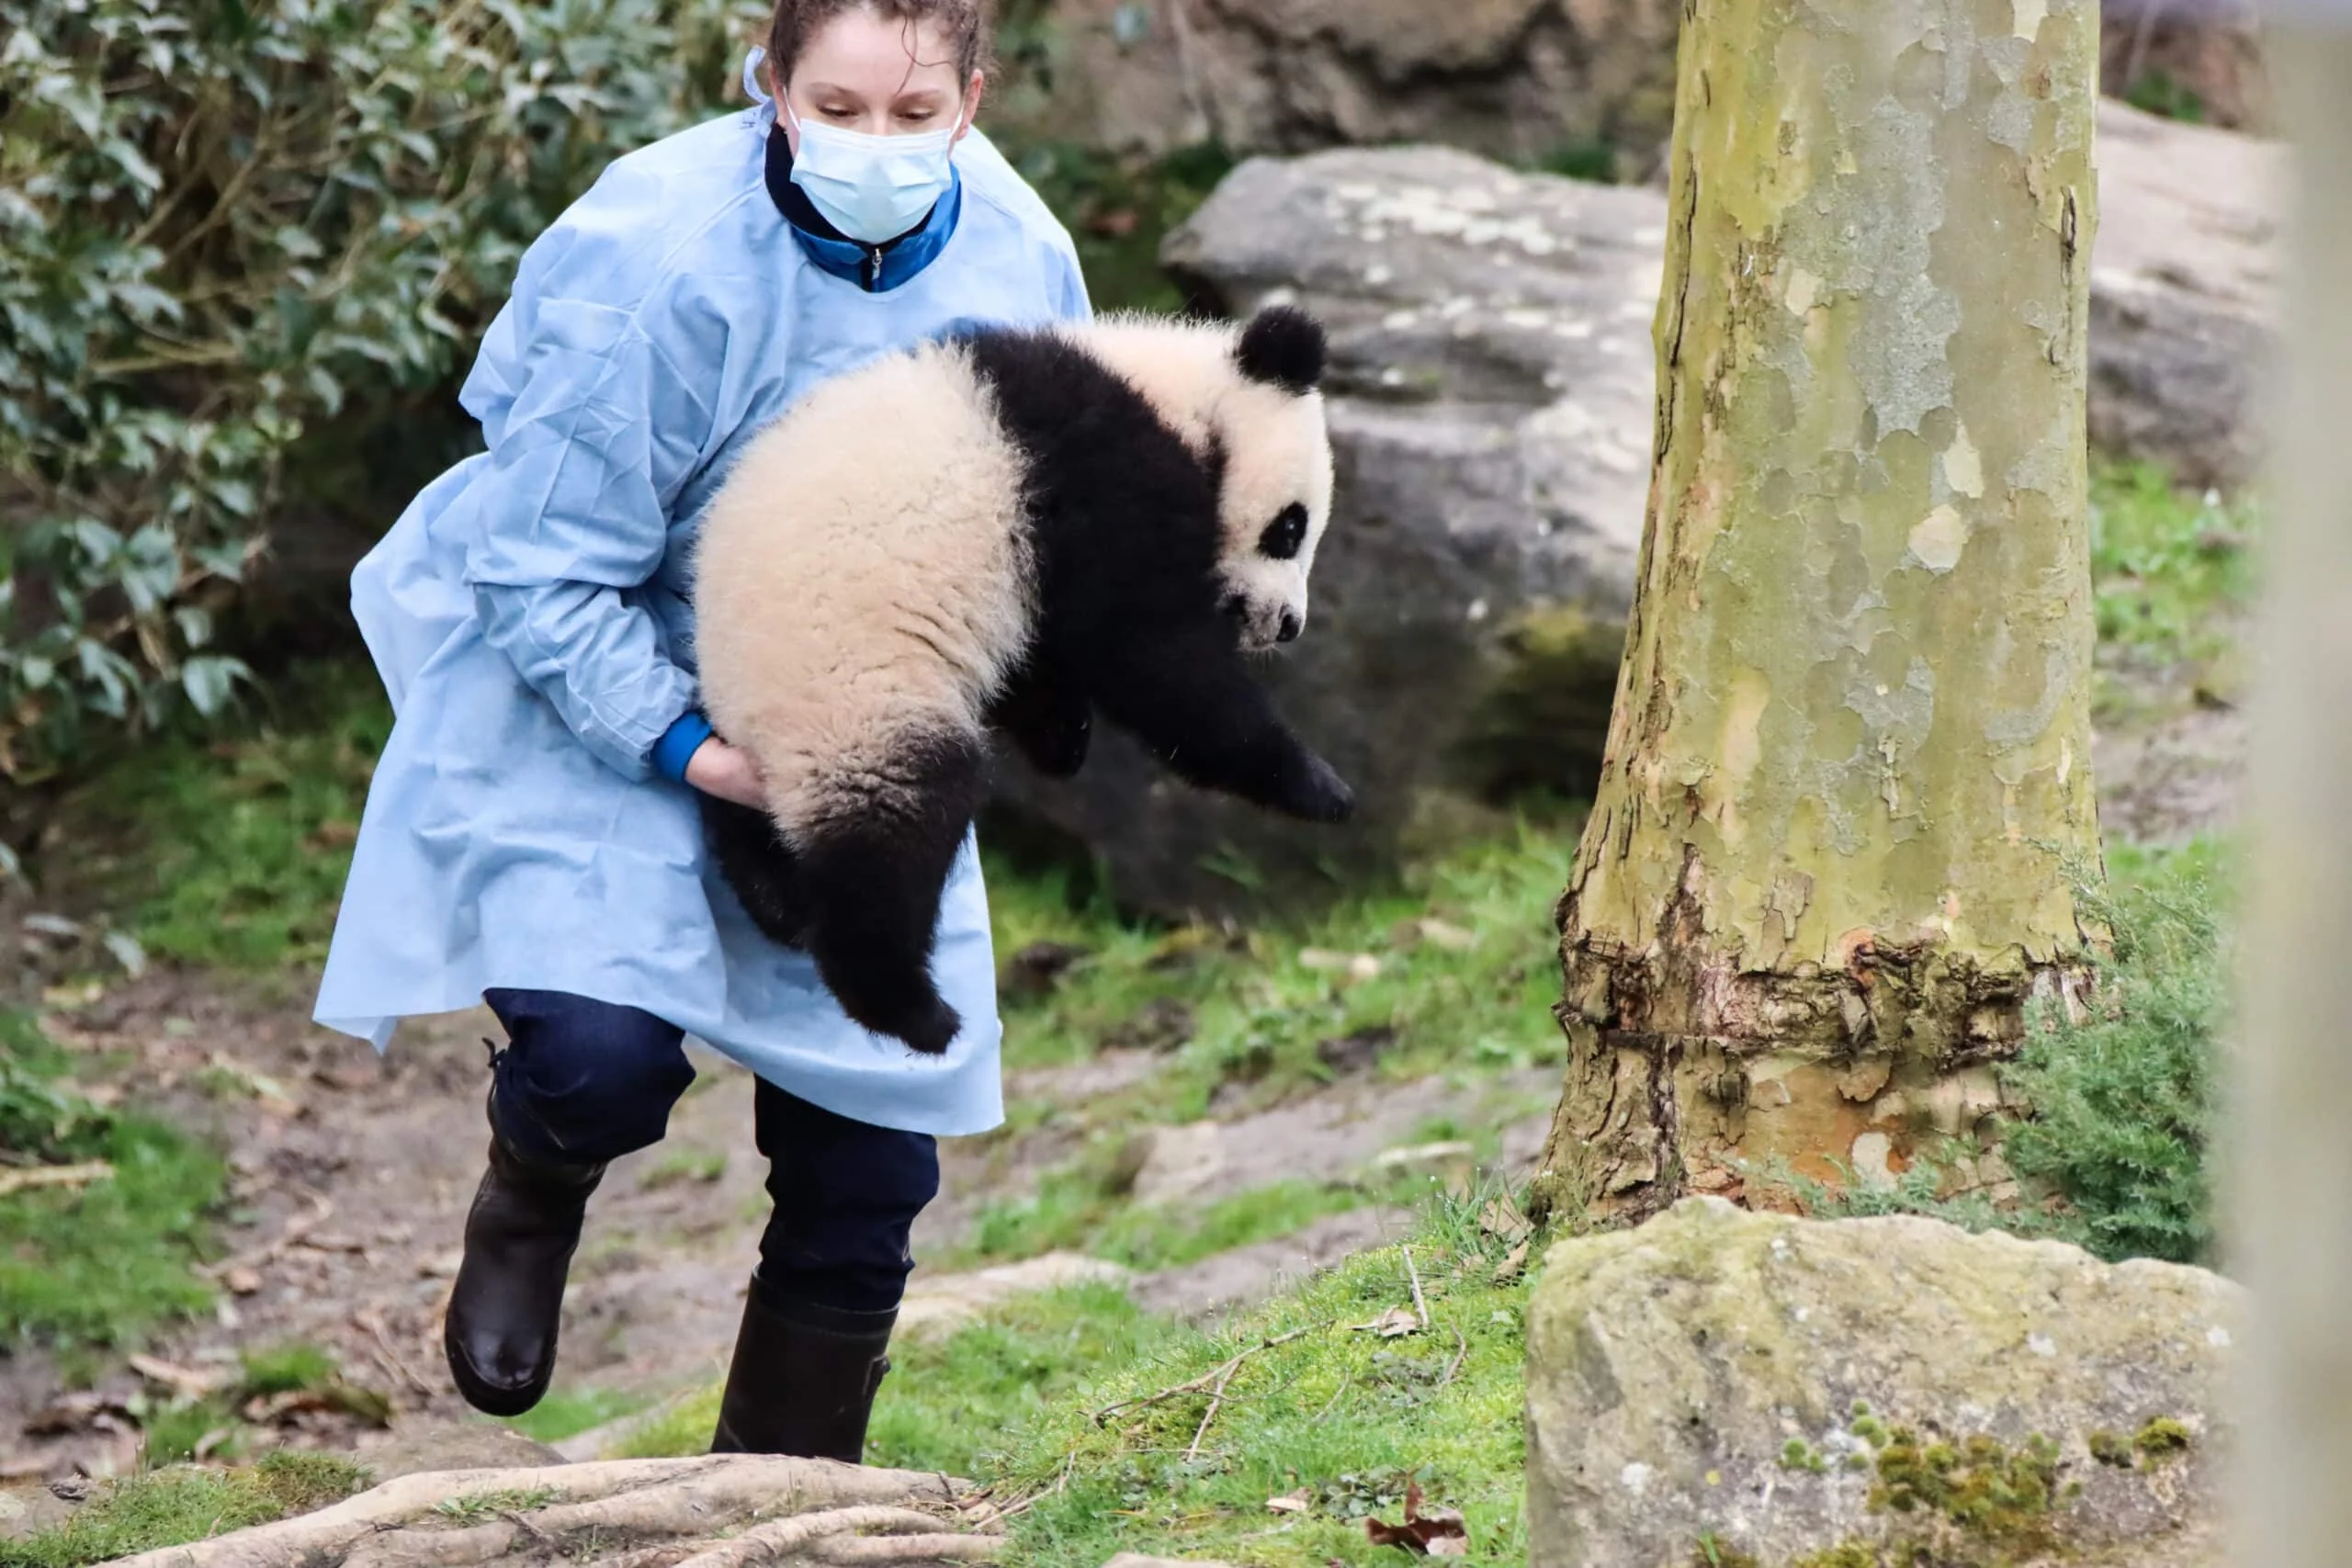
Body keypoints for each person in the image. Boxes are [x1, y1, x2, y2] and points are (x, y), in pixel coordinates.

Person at [311, 0, 1089, 1461]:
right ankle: (534, 1180)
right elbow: (538, 564)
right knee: (599, 1053)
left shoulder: (1021, 262)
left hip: (848, 704)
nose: (876, 145)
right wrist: (694, 750)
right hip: (599, 658)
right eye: (838, 109)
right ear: (772, 88)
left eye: (914, 118)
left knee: (870, 1171)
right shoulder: (658, 256)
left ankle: (781, 1509)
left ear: (973, 105)